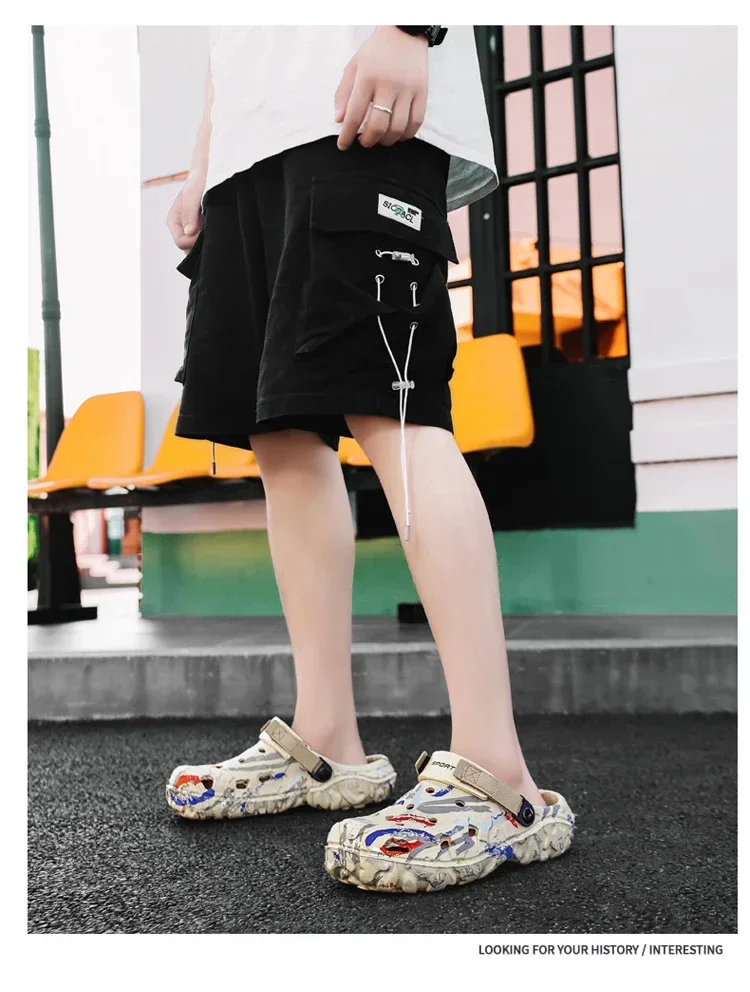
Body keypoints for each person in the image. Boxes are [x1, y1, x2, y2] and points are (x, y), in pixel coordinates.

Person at [165, 25, 575, 893]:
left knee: (395, 408)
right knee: (280, 435)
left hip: (356, 103)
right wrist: (204, 155)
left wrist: (408, 24)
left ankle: (500, 772)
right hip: (247, 147)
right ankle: (328, 742)